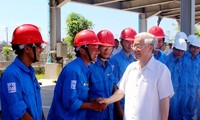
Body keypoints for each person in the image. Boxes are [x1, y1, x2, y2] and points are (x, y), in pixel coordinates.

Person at [100, 32, 174, 120]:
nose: (134, 49)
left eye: (138, 46)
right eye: (133, 45)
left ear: (150, 48)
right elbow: (122, 91)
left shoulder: (161, 71)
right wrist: (108, 101)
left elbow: (164, 101)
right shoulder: (131, 68)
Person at [47, 29, 105, 120]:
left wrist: (92, 101)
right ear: (82, 50)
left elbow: (79, 96)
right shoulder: (73, 71)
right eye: (94, 47)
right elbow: (70, 102)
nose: (98, 51)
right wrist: (92, 106)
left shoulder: (85, 69)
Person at [0, 24, 46, 120]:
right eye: (38, 45)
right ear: (26, 49)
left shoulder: (30, 72)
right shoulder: (11, 75)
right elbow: (18, 112)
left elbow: (37, 106)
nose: (41, 49)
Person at [86, 29, 117, 120]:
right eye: (104, 47)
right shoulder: (89, 67)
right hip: (94, 115)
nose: (107, 50)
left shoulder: (110, 67)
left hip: (109, 115)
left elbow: (115, 89)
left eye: (110, 47)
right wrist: (93, 101)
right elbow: (81, 95)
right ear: (98, 47)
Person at [110, 27, 137, 120]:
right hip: (121, 105)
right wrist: (120, 110)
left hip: (132, 104)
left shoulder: (134, 59)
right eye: (127, 42)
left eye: (132, 42)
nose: (130, 45)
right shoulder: (115, 60)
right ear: (121, 42)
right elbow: (114, 86)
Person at [164, 33, 187, 120]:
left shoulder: (182, 60)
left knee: (182, 113)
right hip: (170, 93)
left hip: (182, 91)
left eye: (182, 51)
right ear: (173, 48)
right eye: (177, 50)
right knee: (172, 115)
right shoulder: (166, 60)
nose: (179, 53)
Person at [183, 37, 200, 119]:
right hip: (183, 89)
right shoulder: (183, 56)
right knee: (182, 109)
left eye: (197, 48)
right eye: (194, 47)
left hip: (194, 89)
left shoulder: (199, 59)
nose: (195, 50)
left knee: (192, 109)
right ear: (190, 47)